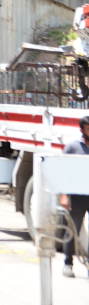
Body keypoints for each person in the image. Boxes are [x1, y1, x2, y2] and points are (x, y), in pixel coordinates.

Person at [60, 115, 89, 278]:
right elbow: (63, 173)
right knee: (73, 231)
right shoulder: (72, 148)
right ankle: (68, 263)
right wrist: (64, 196)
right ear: (82, 130)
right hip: (77, 197)